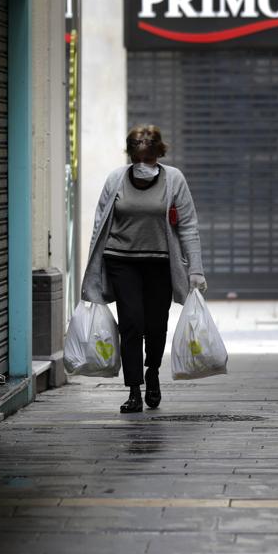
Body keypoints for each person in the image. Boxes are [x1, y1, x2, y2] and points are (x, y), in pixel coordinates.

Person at [81, 124, 207, 414]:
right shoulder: (116, 179)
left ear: (158, 154)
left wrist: (195, 269)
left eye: (148, 159)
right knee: (131, 322)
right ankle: (134, 389)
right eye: (138, 159)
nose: (143, 165)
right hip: (121, 260)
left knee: (155, 324)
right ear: (130, 156)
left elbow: (188, 226)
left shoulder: (174, 179)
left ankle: (152, 372)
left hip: (160, 263)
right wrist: (94, 270)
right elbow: (100, 226)